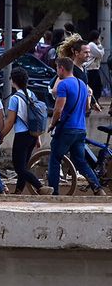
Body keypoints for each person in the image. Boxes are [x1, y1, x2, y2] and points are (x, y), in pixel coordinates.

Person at [48, 57, 104, 195]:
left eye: (57, 69)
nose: (57, 72)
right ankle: (97, 187)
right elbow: (86, 108)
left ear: (61, 68)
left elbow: (58, 109)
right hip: (80, 129)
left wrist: (52, 123)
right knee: (80, 161)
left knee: (55, 158)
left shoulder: (63, 85)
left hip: (67, 128)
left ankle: (53, 192)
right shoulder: (82, 84)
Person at [0, 67, 53, 195]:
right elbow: (34, 118)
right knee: (23, 166)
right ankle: (18, 191)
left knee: (19, 167)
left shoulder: (15, 98)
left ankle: (40, 187)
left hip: (22, 136)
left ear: (13, 81)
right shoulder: (31, 94)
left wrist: (0, 136)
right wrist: (38, 137)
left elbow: (10, 121)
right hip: (32, 135)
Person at [86, 30, 104, 101]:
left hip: (94, 68)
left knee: (96, 86)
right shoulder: (91, 45)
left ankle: (94, 101)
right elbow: (100, 54)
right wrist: (99, 44)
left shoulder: (92, 45)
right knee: (94, 86)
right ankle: (93, 102)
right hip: (92, 69)